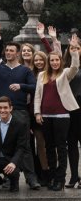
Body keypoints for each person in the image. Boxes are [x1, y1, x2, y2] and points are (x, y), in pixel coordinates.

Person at [0, 22, 40, 189]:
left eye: (12, 51)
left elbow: (35, 87)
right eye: (7, 51)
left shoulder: (25, 71)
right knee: (1, 144)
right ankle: (7, 176)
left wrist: (22, 86)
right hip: (1, 113)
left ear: (18, 53)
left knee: (25, 146)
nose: (9, 53)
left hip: (19, 111)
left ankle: (31, 178)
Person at [34, 35, 80, 191]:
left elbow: (75, 67)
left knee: (61, 148)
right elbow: (37, 96)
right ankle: (52, 177)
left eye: (57, 60)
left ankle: (60, 180)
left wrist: (73, 50)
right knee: (49, 148)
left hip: (62, 116)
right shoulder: (42, 75)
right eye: (52, 60)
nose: (54, 62)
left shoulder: (65, 73)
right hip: (45, 115)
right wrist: (37, 113)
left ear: (60, 61)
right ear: (49, 62)